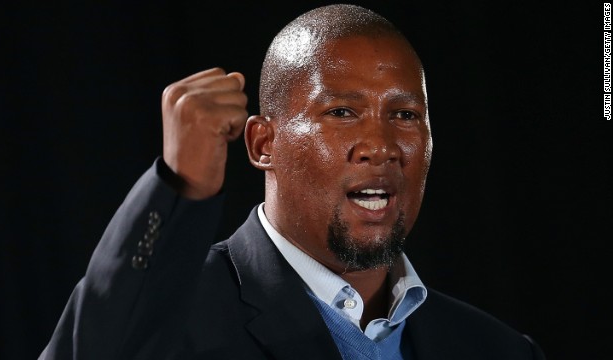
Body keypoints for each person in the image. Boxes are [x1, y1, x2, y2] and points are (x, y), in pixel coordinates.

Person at [39, 4, 545, 360]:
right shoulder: (171, 322)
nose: (382, 144)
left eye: (406, 114)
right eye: (343, 111)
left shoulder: (497, 348)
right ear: (263, 144)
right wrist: (177, 187)